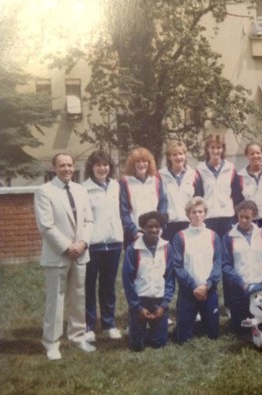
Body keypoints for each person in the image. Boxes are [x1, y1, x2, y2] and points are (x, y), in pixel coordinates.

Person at [34, 153, 95, 360]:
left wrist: (83, 243)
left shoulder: (81, 190)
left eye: (69, 165)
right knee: (56, 301)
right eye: (62, 166)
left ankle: (78, 337)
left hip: (80, 253)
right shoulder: (44, 191)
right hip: (58, 255)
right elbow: (46, 226)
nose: (67, 169)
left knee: (79, 297)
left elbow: (89, 221)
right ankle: (52, 343)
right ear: (54, 168)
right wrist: (68, 247)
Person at [82, 150, 124, 343]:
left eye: (106, 164)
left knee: (108, 286)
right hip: (93, 245)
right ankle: (89, 326)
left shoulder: (116, 186)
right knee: (89, 285)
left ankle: (108, 324)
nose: (102, 168)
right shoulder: (83, 189)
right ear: (92, 167)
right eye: (98, 165)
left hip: (114, 244)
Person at [122, 211, 175, 351]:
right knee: (137, 347)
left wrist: (163, 306)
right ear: (143, 227)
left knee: (159, 344)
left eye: (157, 227)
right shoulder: (133, 249)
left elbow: (170, 278)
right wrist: (137, 307)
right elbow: (127, 280)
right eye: (150, 227)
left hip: (158, 299)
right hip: (140, 300)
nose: (154, 230)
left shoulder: (167, 248)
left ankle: (153, 329)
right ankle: (137, 329)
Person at [173, 197, 222, 343]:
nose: (197, 215)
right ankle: (190, 320)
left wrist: (208, 285)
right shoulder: (180, 236)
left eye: (201, 211)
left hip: (209, 290)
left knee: (213, 335)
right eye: (194, 212)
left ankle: (203, 319)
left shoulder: (213, 236)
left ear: (205, 213)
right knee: (182, 339)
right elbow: (177, 266)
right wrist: (193, 287)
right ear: (188, 214)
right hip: (189, 290)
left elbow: (218, 263)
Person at [222, 200, 262, 334]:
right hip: (239, 289)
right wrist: (240, 283)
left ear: (254, 216)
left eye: (247, 217)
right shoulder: (229, 237)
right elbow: (226, 265)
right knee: (240, 330)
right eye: (240, 217)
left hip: (259, 287)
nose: (243, 220)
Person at [195, 134, 243, 239]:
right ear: (207, 149)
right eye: (212, 147)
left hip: (227, 217)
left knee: (227, 250)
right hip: (208, 218)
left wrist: (236, 216)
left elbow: (237, 195)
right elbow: (198, 195)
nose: (215, 151)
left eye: (218, 147)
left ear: (223, 149)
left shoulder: (230, 168)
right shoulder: (200, 169)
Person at [120, 147, 168, 248]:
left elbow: (162, 206)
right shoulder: (125, 182)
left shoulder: (156, 181)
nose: (142, 164)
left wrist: (160, 228)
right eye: (138, 161)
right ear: (132, 164)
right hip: (134, 234)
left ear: (149, 163)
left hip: (155, 233)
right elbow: (123, 211)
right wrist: (134, 232)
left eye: (145, 161)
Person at [159, 141, 203, 242]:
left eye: (181, 154)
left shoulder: (194, 175)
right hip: (169, 226)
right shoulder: (161, 176)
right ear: (169, 157)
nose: (178, 157)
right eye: (174, 154)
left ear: (185, 155)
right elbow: (159, 201)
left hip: (189, 224)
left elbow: (199, 200)